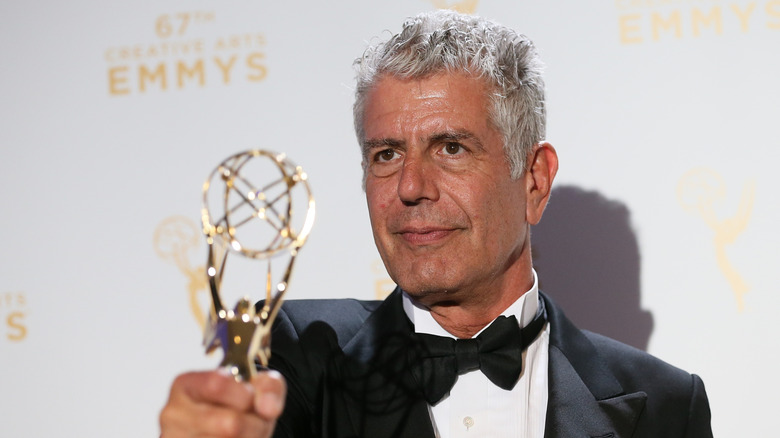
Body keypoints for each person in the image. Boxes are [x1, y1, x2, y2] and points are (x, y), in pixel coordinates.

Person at [160, 10, 713, 438]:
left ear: (534, 181)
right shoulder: (298, 358)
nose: (409, 186)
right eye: (386, 154)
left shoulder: (664, 405)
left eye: (450, 147)